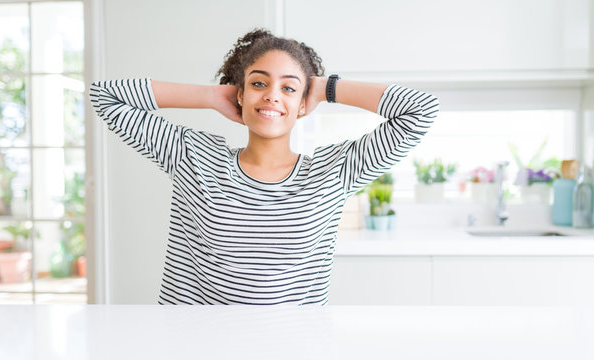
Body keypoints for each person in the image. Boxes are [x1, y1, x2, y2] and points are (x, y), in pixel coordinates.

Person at [89, 29, 439, 305]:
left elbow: (421, 111)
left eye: (289, 88)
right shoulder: (193, 157)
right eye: (258, 83)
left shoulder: (334, 171)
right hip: (194, 346)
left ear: (304, 104)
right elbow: (105, 96)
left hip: (293, 346)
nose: (272, 95)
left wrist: (327, 87)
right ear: (240, 93)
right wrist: (211, 96)